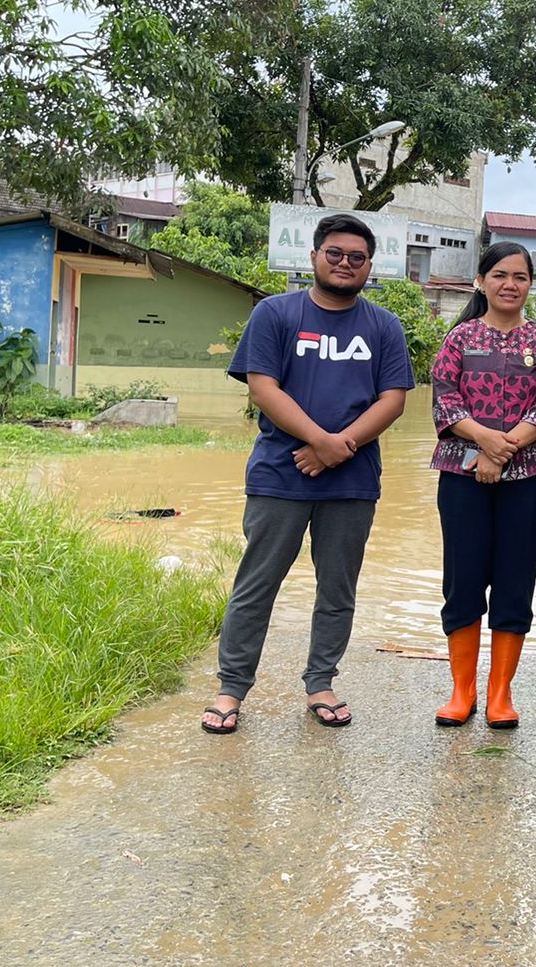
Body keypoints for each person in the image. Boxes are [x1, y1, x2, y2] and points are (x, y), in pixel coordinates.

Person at [200, 213, 414, 735]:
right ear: (314, 256)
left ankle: (321, 682)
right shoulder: (276, 313)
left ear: (370, 267)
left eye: (357, 258)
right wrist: (319, 441)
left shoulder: (383, 325)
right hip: (280, 474)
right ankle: (231, 688)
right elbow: (263, 388)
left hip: (353, 480)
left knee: (337, 588)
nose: (345, 263)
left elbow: (394, 400)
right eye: (335, 253)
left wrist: (340, 449)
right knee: (256, 584)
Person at [428, 242, 536, 729]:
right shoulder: (459, 339)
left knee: (515, 578)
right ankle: (461, 689)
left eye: (521, 277)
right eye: (500, 275)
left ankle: (500, 693)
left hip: (529, 476)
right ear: (481, 281)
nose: (510, 284)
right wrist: (485, 443)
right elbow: (444, 402)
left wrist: (503, 451)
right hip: (461, 472)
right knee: (462, 578)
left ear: (530, 284)